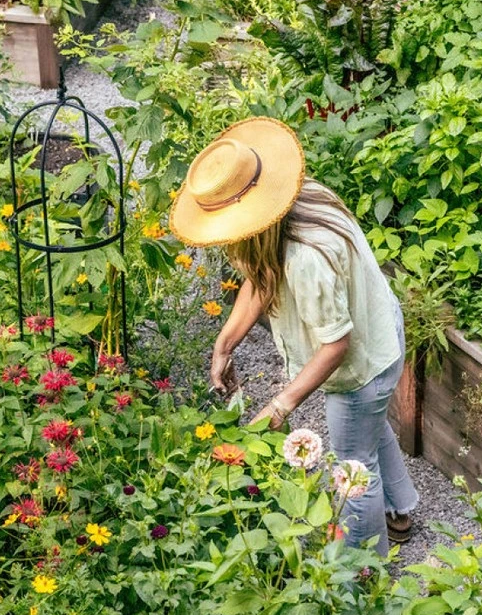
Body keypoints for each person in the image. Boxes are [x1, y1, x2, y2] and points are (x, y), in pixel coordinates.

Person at [168, 117, 418, 556]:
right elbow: (260, 275)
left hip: (362, 365)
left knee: (353, 468)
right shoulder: (294, 202)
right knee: (368, 430)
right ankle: (401, 510)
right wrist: (224, 345)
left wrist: (280, 405)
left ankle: (365, 571)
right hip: (380, 326)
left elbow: (336, 344)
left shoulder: (305, 259)